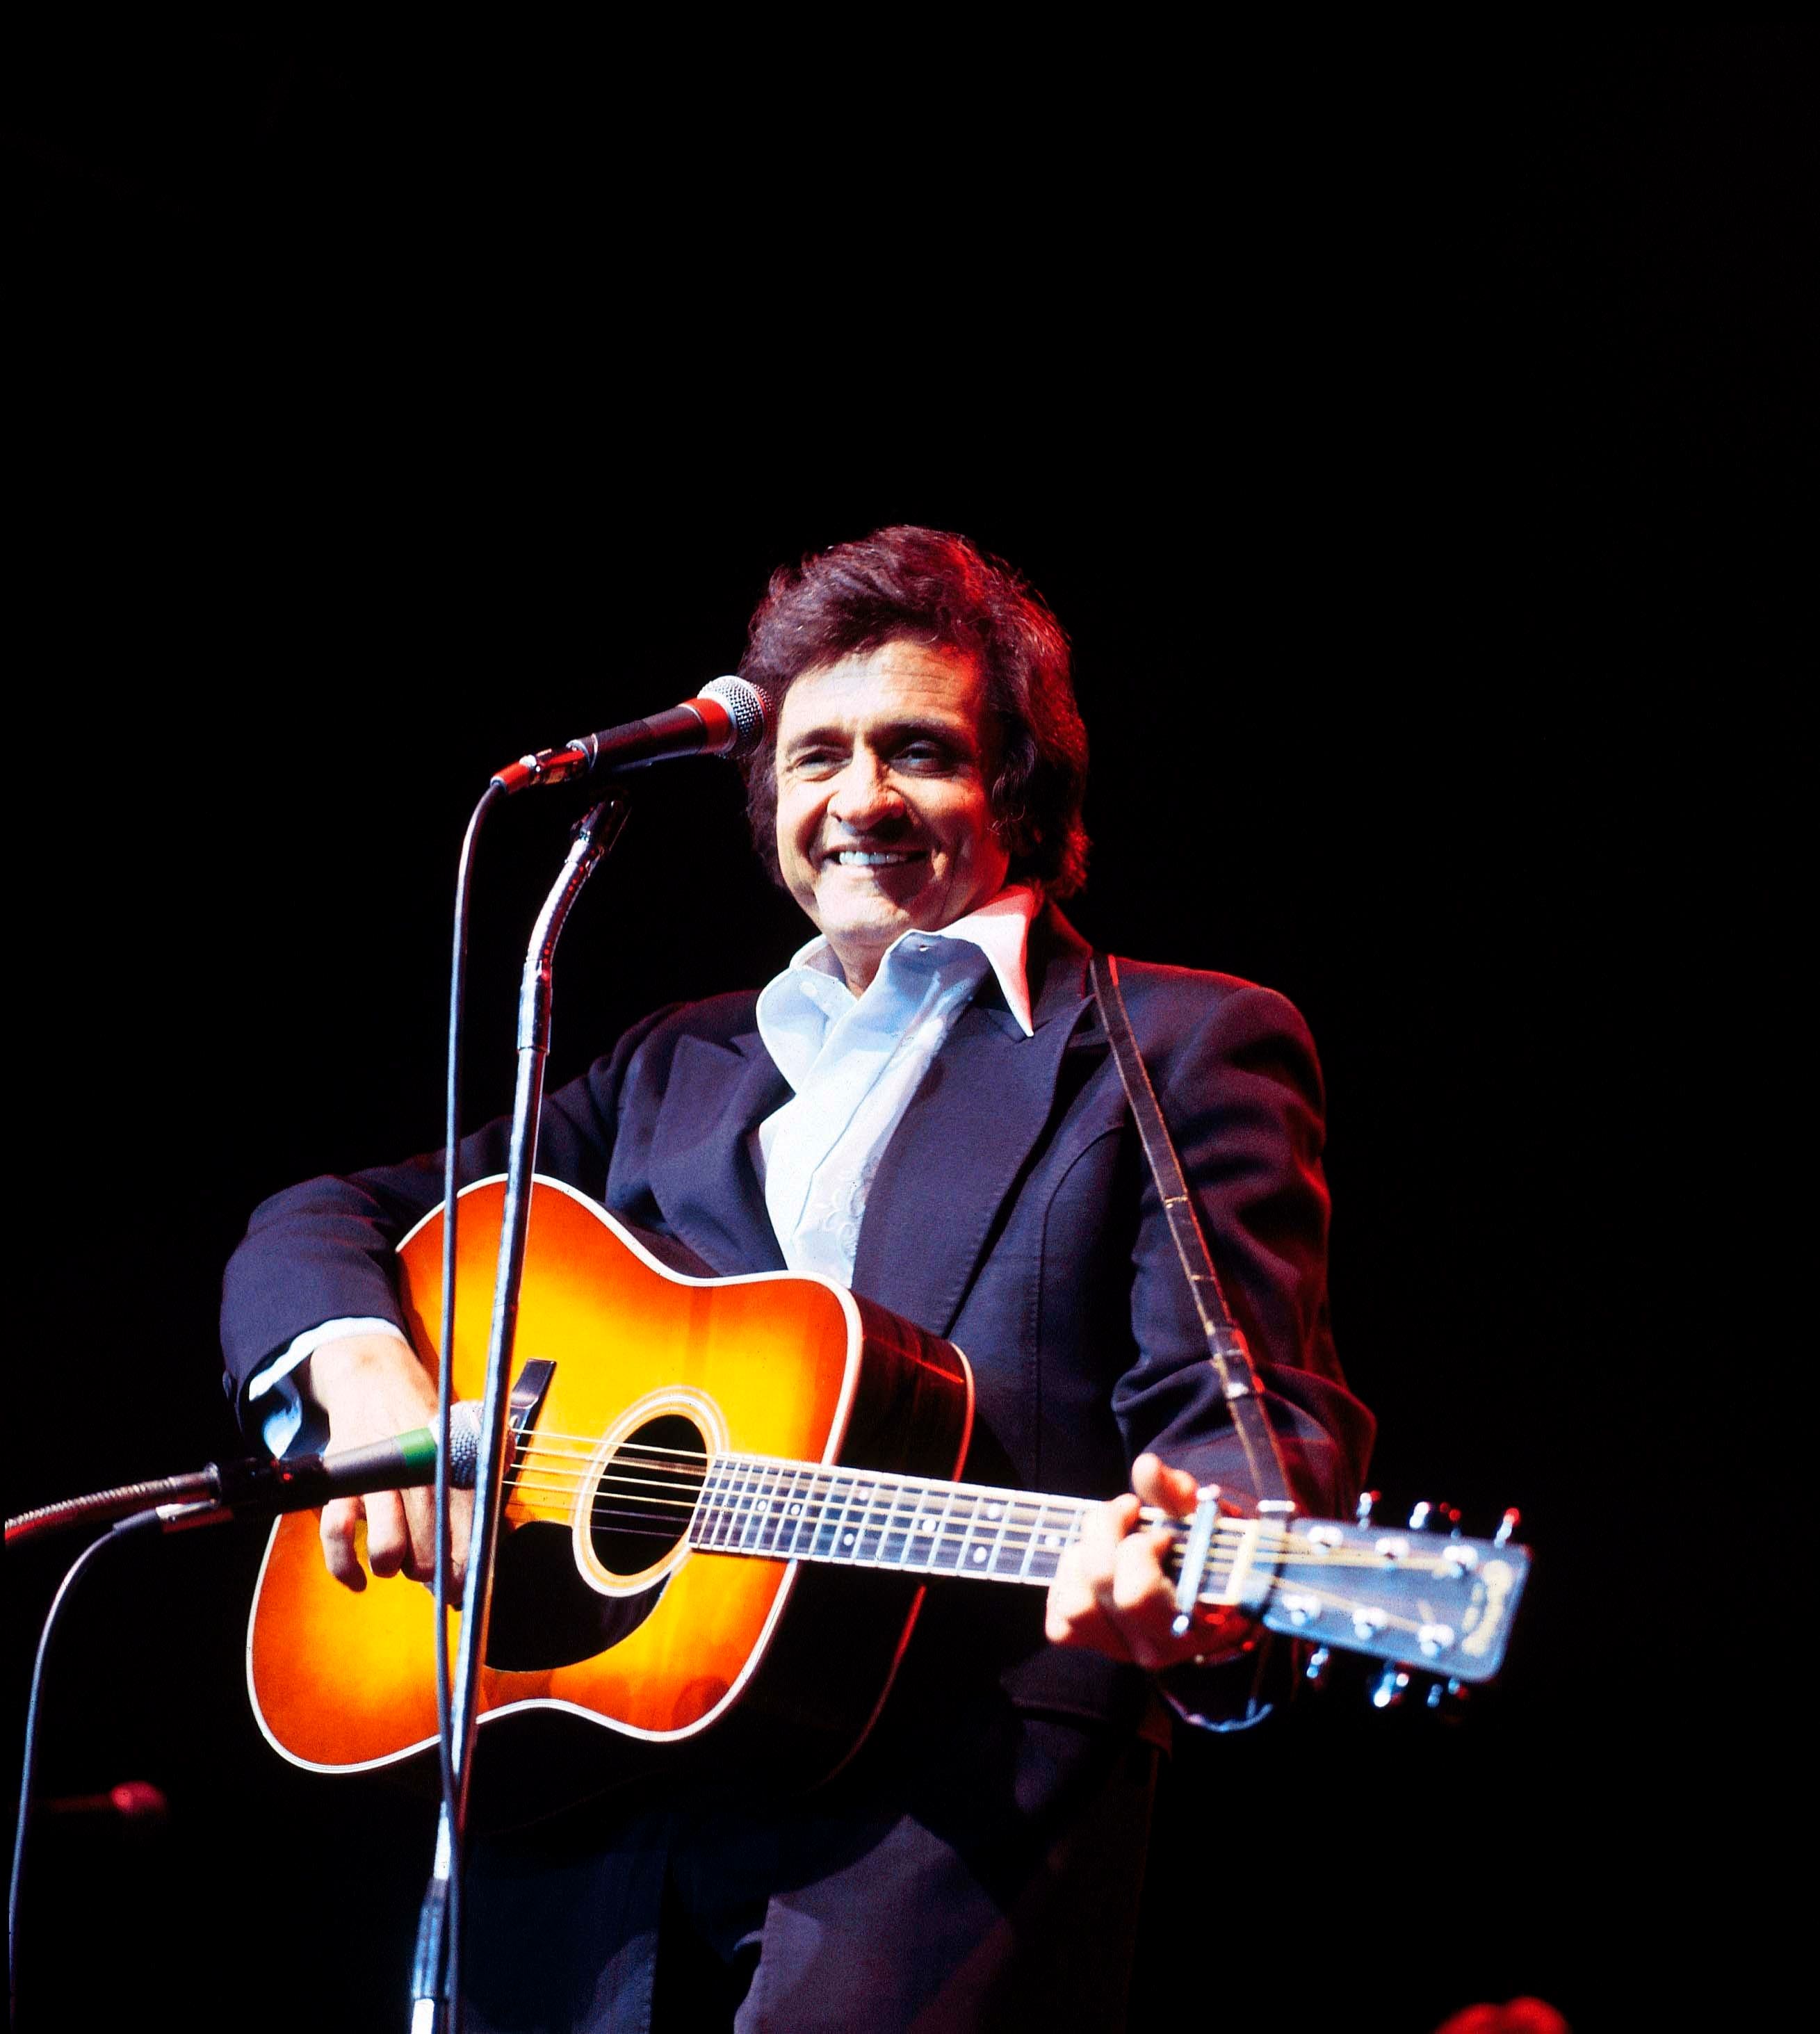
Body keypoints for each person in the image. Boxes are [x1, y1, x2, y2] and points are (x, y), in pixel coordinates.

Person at [220, 526, 1374, 2030]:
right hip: (586, 1819)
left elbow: (1245, 1404)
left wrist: (1206, 1554)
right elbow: (321, 1217)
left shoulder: (1168, 1046)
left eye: (919, 751)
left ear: (1017, 785)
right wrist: (371, 1378)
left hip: (947, 1828)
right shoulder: (673, 1066)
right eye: (817, 754)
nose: (861, 799)